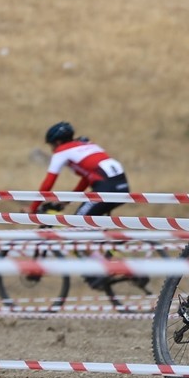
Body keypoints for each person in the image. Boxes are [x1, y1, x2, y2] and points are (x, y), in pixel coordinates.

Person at [31, 122, 134, 289]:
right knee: (86, 227)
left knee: (75, 227)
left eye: (51, 145)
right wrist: (66, 201)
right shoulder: (86, 144)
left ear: (56, 143)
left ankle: (105, 269)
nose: (52, 149)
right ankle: (108, 256)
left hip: (105, 189)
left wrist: (33, 208)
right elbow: (87, 178)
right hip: (120, 186)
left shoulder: (61, 151)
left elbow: (48, 184)